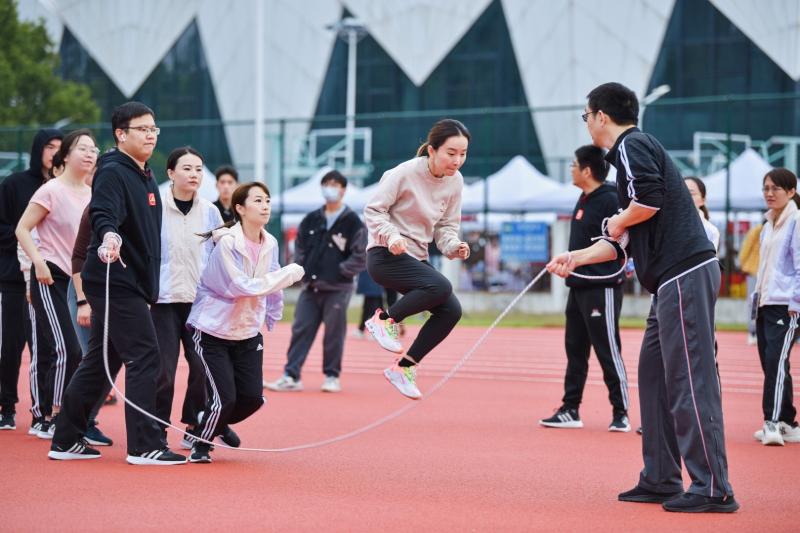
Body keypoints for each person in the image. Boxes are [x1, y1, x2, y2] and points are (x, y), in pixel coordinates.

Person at [547, 83, 738, 513]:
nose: (587, 123)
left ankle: (713, 487)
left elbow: (646, 203)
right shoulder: (626, 163)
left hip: (684, 272)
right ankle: (661, 476)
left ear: (600, 116)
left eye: (586, 116)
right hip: (667, 282)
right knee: (653, 377)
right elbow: (621, 241)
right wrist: (575, 258)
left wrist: (618, 219)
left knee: (690, 379)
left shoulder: (633, 145)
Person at [49, 101, 187, 465]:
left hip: (132, 281)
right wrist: (109, 235)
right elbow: (103, 212)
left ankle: (65, 439)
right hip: (115, 279)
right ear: (121, 134)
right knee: (145, 355)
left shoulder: (144, 175)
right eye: (143, 129)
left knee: (100, 362)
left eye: (154, 129)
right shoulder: (112, 170)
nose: (151, 135)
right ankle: (144, 446)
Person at [186, 182, 304, 463]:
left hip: (248, 331)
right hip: (213, 329)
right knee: (225, 398)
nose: (265, 206)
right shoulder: (227, 243)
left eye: (267, 200)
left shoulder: (270, 242)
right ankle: (201, 444)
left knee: (253, 398)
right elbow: (239, 286)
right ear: (240, 208)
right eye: (258, 201)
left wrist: (273, 312)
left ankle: (215, 420)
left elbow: (271, 278)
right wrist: (289, 274)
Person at [363, 119, 471, 400]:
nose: (457, 161)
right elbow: (373, 210)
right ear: (432, 150)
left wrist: (454, 246)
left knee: (451, 310)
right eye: (451, 153)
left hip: (416, 257)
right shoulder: (404, 173)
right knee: (441, 286)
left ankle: (404, 368)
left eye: (463, 154)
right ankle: (383, 320)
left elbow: (446, 227)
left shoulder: (456, 181)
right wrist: (391, 237)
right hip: (385, 254)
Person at [538, 145, 630, 432]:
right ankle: (570, 409)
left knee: (607, 349)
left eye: (573, 165)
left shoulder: (611, 199)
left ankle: (621, 412)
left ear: (587, 170)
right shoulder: (584, 198)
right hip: (577, 285)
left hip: (602, 287)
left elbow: (617, 244)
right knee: (575, 350)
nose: (570, 169)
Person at [152, 147, 235, 451]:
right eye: (187, 168)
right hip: (162, 300)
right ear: (171, 173)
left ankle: (194, 424)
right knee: (163, 371)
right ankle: (156, 430)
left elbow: (218, 255)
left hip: (199, 302)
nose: (194, 174)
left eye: (198, 169)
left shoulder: (210, 211)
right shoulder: (155, 207)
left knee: (201, 367)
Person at [16, 129, 96, 439]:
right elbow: (22, 229)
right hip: (50, 276)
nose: (89, 154)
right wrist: (37, 263)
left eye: (93, 149)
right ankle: (52, 416)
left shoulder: (93, 195)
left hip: (79, 282)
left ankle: (70, 416)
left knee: (82, 353)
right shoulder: (50, 189)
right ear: (66, 155)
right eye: (82, 148)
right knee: (66, 348)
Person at [265, 170, 366, 393]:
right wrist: (301, 268)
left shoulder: (353, 222)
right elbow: (299, 246)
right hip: (310, 286)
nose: (330, 188)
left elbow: (360, 255)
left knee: (333, 334)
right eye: (327, 184)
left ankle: (332, 376)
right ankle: (291, 375)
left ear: (343, 190)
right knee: (300, 329)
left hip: (338, 288)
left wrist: (341, 271)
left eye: (335, 184)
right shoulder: (312, 218)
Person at [0, 128, 62, 431]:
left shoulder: (66, 187)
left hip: (53, 279)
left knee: (48, 347)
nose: (55, 153)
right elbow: (6, 227)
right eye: (50, 147)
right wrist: (28, 247)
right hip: (14, 278)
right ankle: (6, 406)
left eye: (60, 147)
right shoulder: (14, 184)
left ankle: (46, 411)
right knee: (10, 346)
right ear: (38, 150)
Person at [751, 168, 800, 446]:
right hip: (765, 302)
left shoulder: (797, 221)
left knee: (776, 362)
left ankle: (771, 422)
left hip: (786, 305)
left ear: (791, 192)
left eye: (775, 188)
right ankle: (788, 422)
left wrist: (796, 302)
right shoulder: (768, 224)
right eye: (765, 188)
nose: (769, 193)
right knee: (771, 363)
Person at [738, 221, 763, 345]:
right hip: (755, 271)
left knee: (765, 304)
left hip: (768, 273)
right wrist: (743, 264)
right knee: (753, 303)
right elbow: (746, 247)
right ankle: (752, 332)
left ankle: (759, 332)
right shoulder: (757, 230)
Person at [684, 177, 720, 250]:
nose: (685, 196)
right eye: (682, 192)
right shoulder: (666, 224)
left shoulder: (710, 231)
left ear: (703, 200)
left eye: (691, 193)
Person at [353, 270, 384, 339]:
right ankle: (362, 329)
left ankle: (376, 331)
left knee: (373, 305)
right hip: (373, 275)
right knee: (370, 304)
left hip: (373, 275)